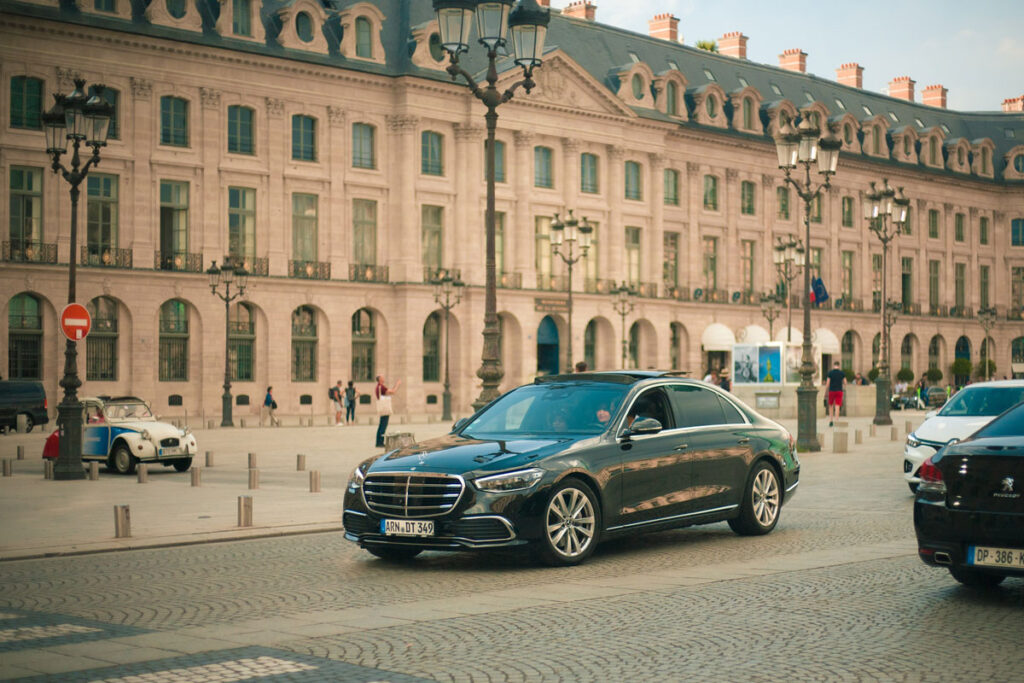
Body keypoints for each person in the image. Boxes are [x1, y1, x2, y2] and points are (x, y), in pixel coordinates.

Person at [374, 375, 400, 447]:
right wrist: (397, 384)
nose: (384, 378)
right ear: (380, 379)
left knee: (381, 425)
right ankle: (380, 442)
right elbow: (393, 392)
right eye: (382, 377)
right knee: (383, 425)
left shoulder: (378, 387)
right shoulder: (381, 387)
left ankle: (379, 442)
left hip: (382, 408)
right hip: (384, 408)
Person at [823, 362, 845, 427]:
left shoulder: (830, 373)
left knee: (831, 405)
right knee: (837, 405)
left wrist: (826, 391)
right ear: (839, 366)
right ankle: (836, 420)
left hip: (832, 391)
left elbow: (827, 383)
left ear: (834, 365)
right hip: (839, 391)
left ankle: (831, 420)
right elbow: (845, 382)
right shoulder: (842, 373)